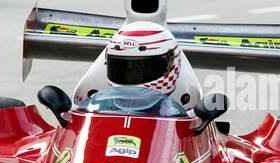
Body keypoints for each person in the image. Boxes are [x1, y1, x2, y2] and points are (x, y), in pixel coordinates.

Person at [73, 21, 202, 111]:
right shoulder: (90, 104)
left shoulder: (188, 105)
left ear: (169, 67)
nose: (131, 76)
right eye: (121, 67)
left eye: (143, 68)